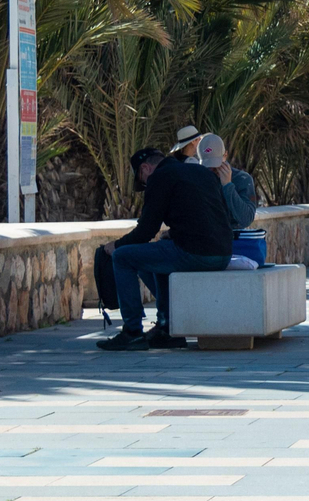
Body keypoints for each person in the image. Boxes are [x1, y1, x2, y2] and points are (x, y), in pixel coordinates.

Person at [98, 147, 234, 351]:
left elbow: (146, 231)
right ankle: (166, 329)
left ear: (145, 168)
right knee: (158, 256)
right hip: (223, 253)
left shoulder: (160, 177)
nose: (145, 185)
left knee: (123, 257)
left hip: (196, 254)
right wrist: (175, 232)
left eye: (142, 181)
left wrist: (116, 245)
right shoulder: (201, 172)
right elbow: (215, 215)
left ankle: (132, 332)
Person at [197, 133, 256, 231]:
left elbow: (246, 219)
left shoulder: (242, 179)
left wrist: (228, 185)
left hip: (233, 236)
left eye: (215, 165)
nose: (212, 170)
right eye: (207, 166)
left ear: (225, 155)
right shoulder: (199, 177)